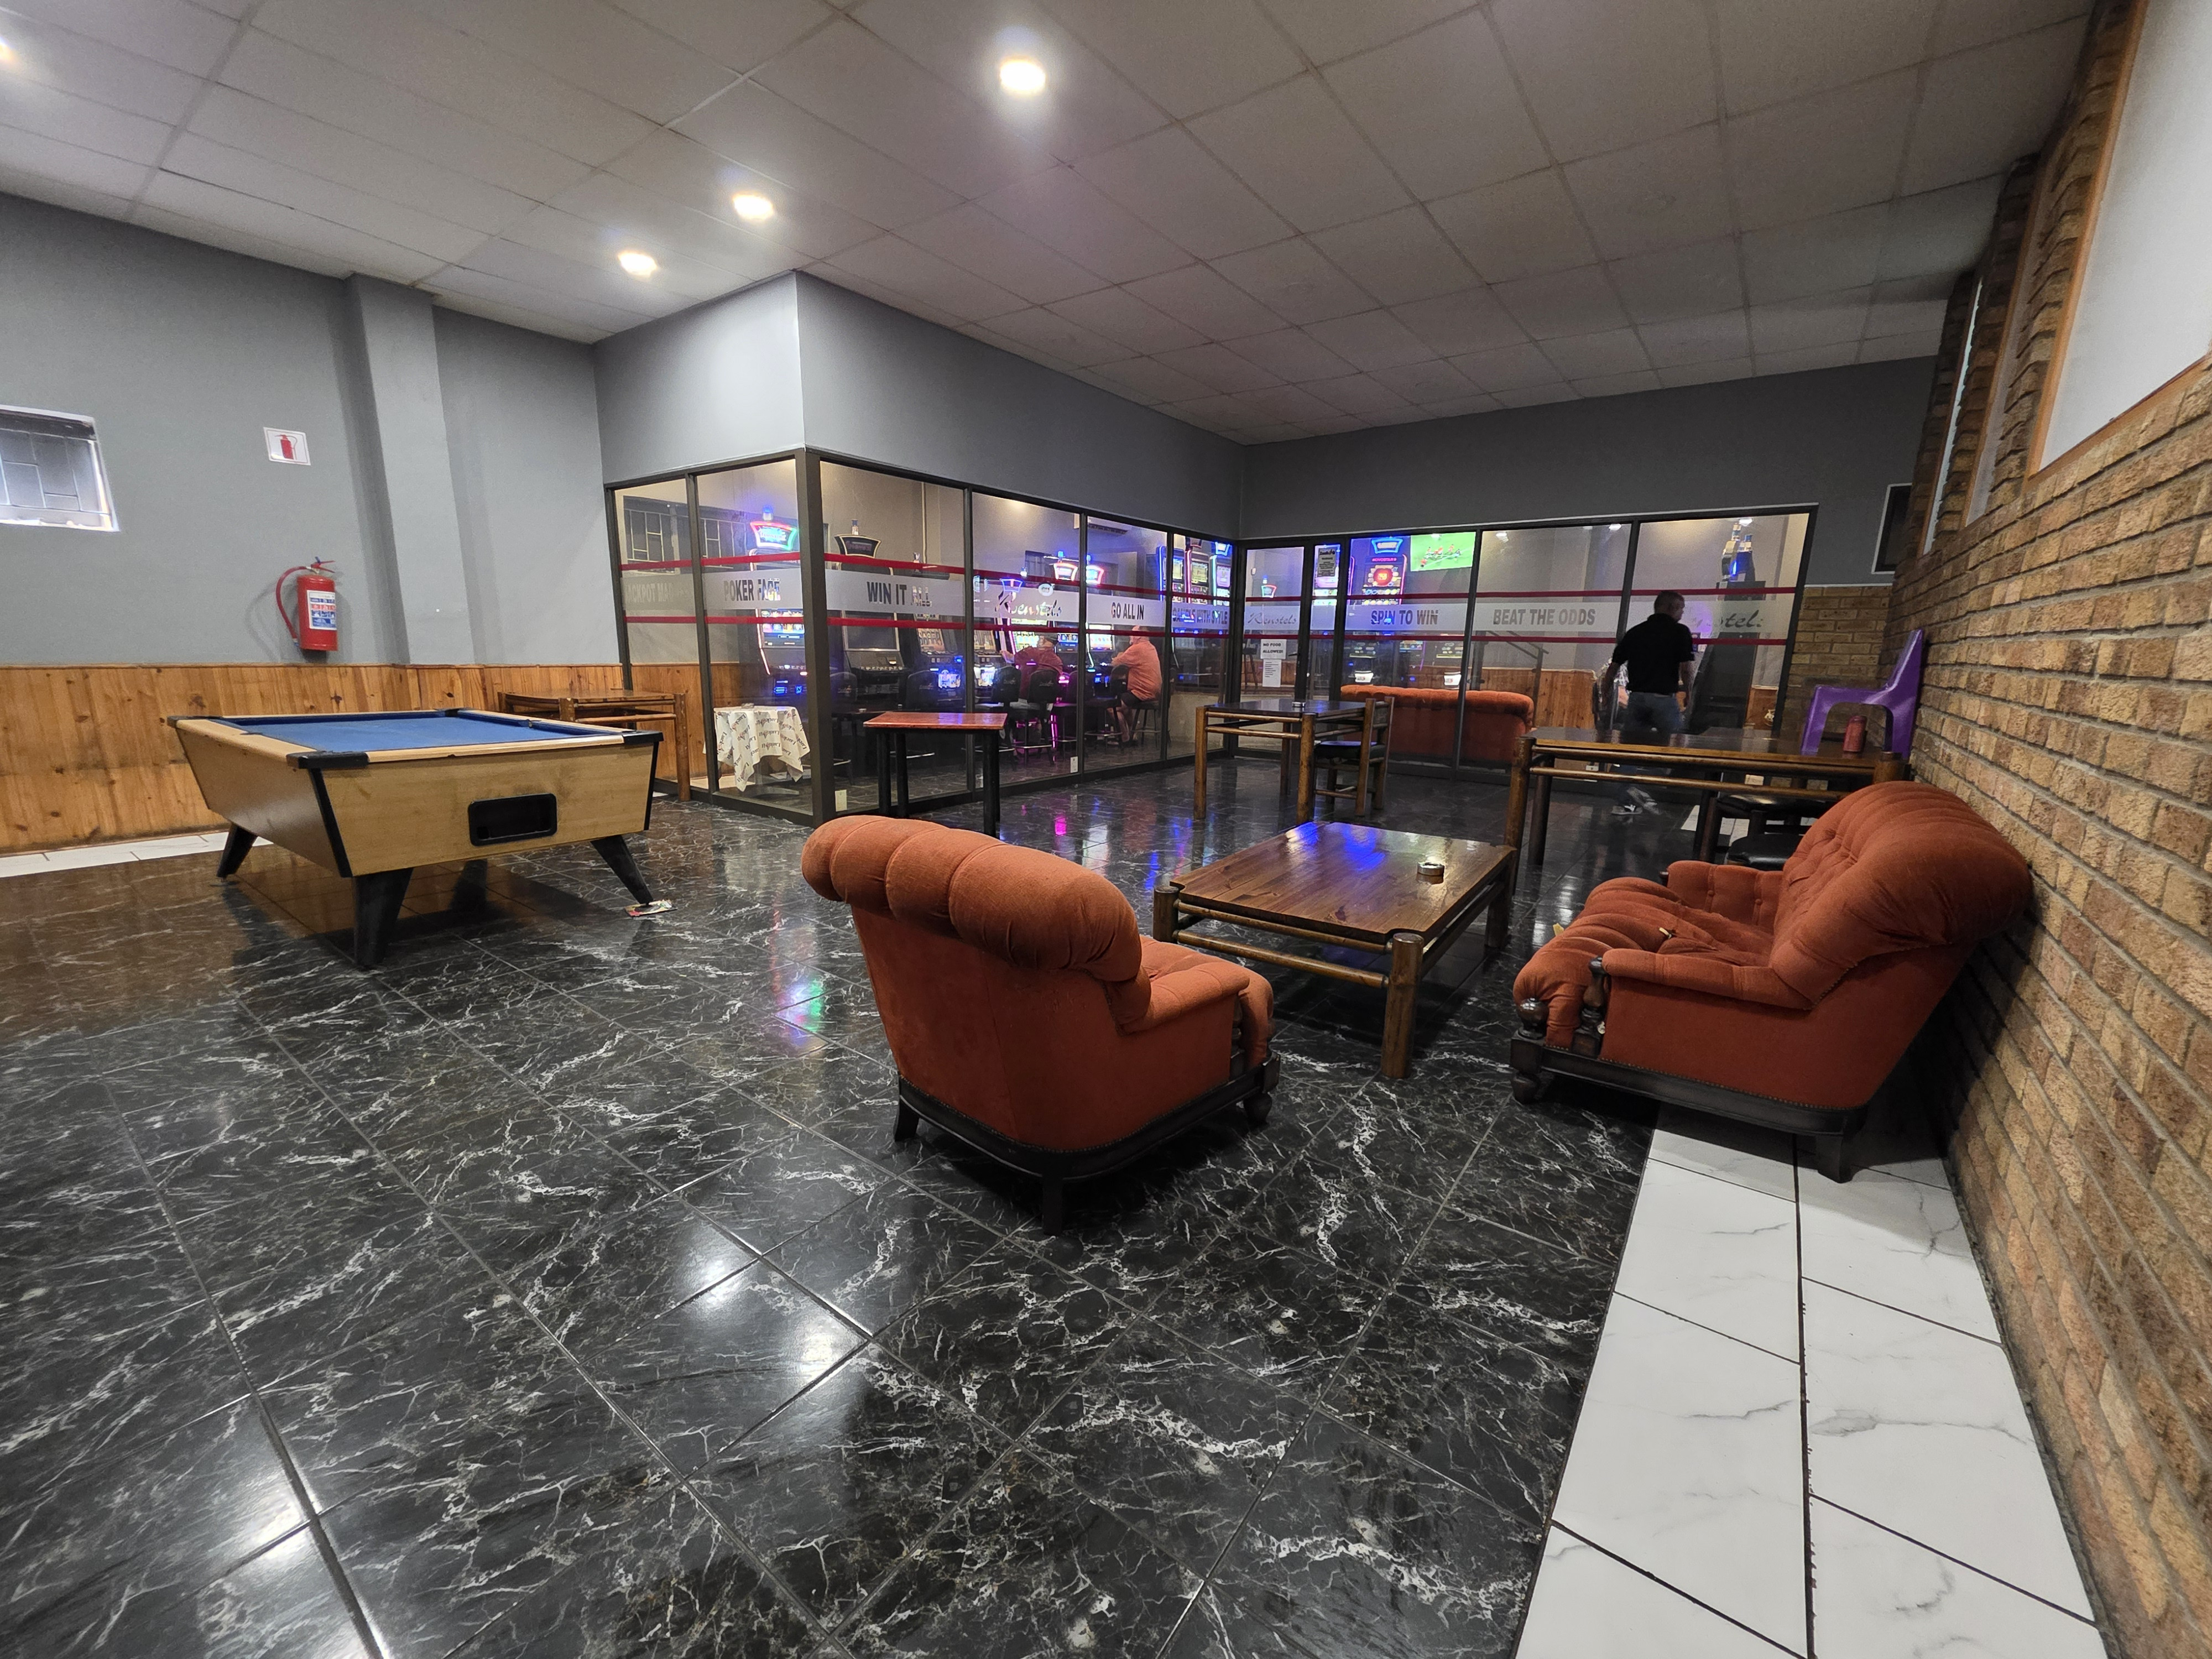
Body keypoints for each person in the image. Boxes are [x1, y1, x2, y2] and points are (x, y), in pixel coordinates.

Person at [1609, 590, 1696, 816]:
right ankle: (1670, 799)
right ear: (1671, 608)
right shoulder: (1680, 632)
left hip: (1637, 699)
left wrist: (1605, 690)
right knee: (1677, 747)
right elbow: (1686, 668)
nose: (1682, 613)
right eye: (1681, 608)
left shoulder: (1636, 632)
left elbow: (1614, 665)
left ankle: (1625, 800)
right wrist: (1689, 692)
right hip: (1664, 700)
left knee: (1630, 751)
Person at [1109, 633, 1161, 743]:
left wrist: (1119, 656)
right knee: (1125, 706)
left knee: (1112, 707)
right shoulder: (1151, 647)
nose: (1130, 636)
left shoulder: (1137, 648)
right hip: (1152, 691)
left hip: (1142, 691)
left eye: (1132, 634)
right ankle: (1133, 735)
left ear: (1138, 636)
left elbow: (1116, 662)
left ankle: (1124, 738)